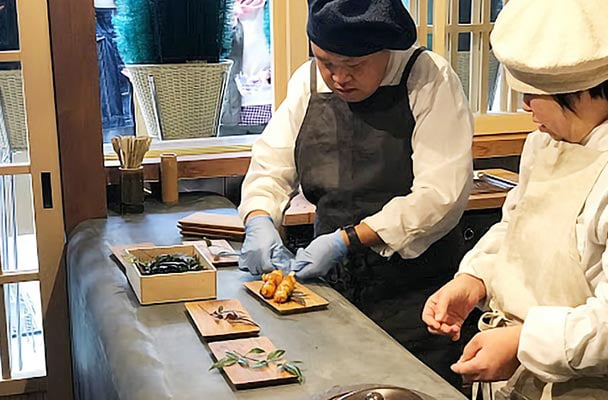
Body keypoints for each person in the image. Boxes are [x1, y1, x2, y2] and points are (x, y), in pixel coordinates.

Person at [238, 0, 474, 387]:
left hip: (415, 299)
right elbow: (271, 164)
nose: (338, 78)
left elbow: (439, 195)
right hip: (329, 290)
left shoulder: (428, 77)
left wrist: (347, 239)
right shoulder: (307, 82)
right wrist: (259, 218)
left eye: (355, 65)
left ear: (387, 50)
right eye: (326, 62)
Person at [422, 0, 608, 398]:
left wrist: (524, 342)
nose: (524, 106)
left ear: (581, 91)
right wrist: (475, 278)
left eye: (532, 93)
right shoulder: (544, 143)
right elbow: (516, 228)